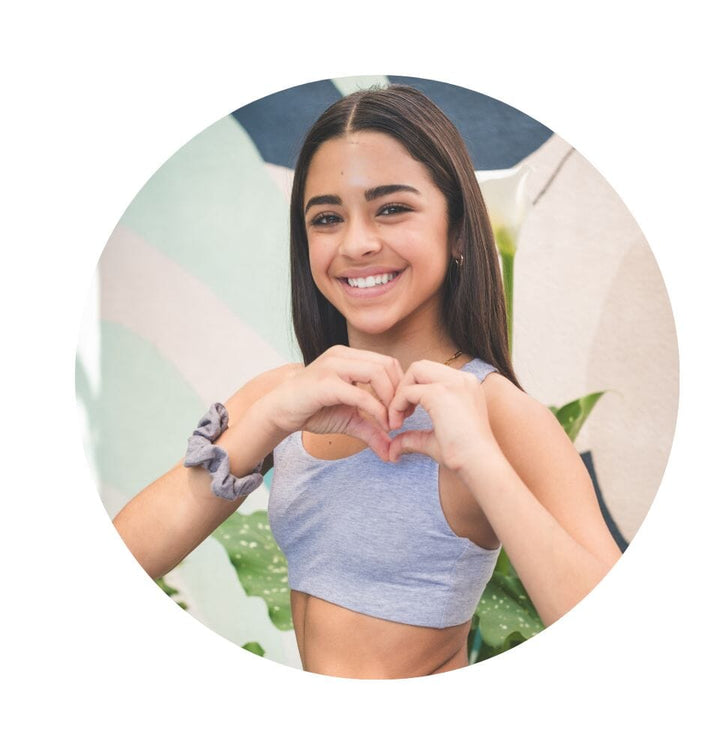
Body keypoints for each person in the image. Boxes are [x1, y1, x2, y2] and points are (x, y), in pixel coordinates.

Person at [113, 84, 622, 679]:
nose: (357, 243)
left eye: (392, 208)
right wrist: (269, 422)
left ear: (458, 231)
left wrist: (479, 458)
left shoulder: (498, 413)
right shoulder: (282, 396)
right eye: (327, 218)